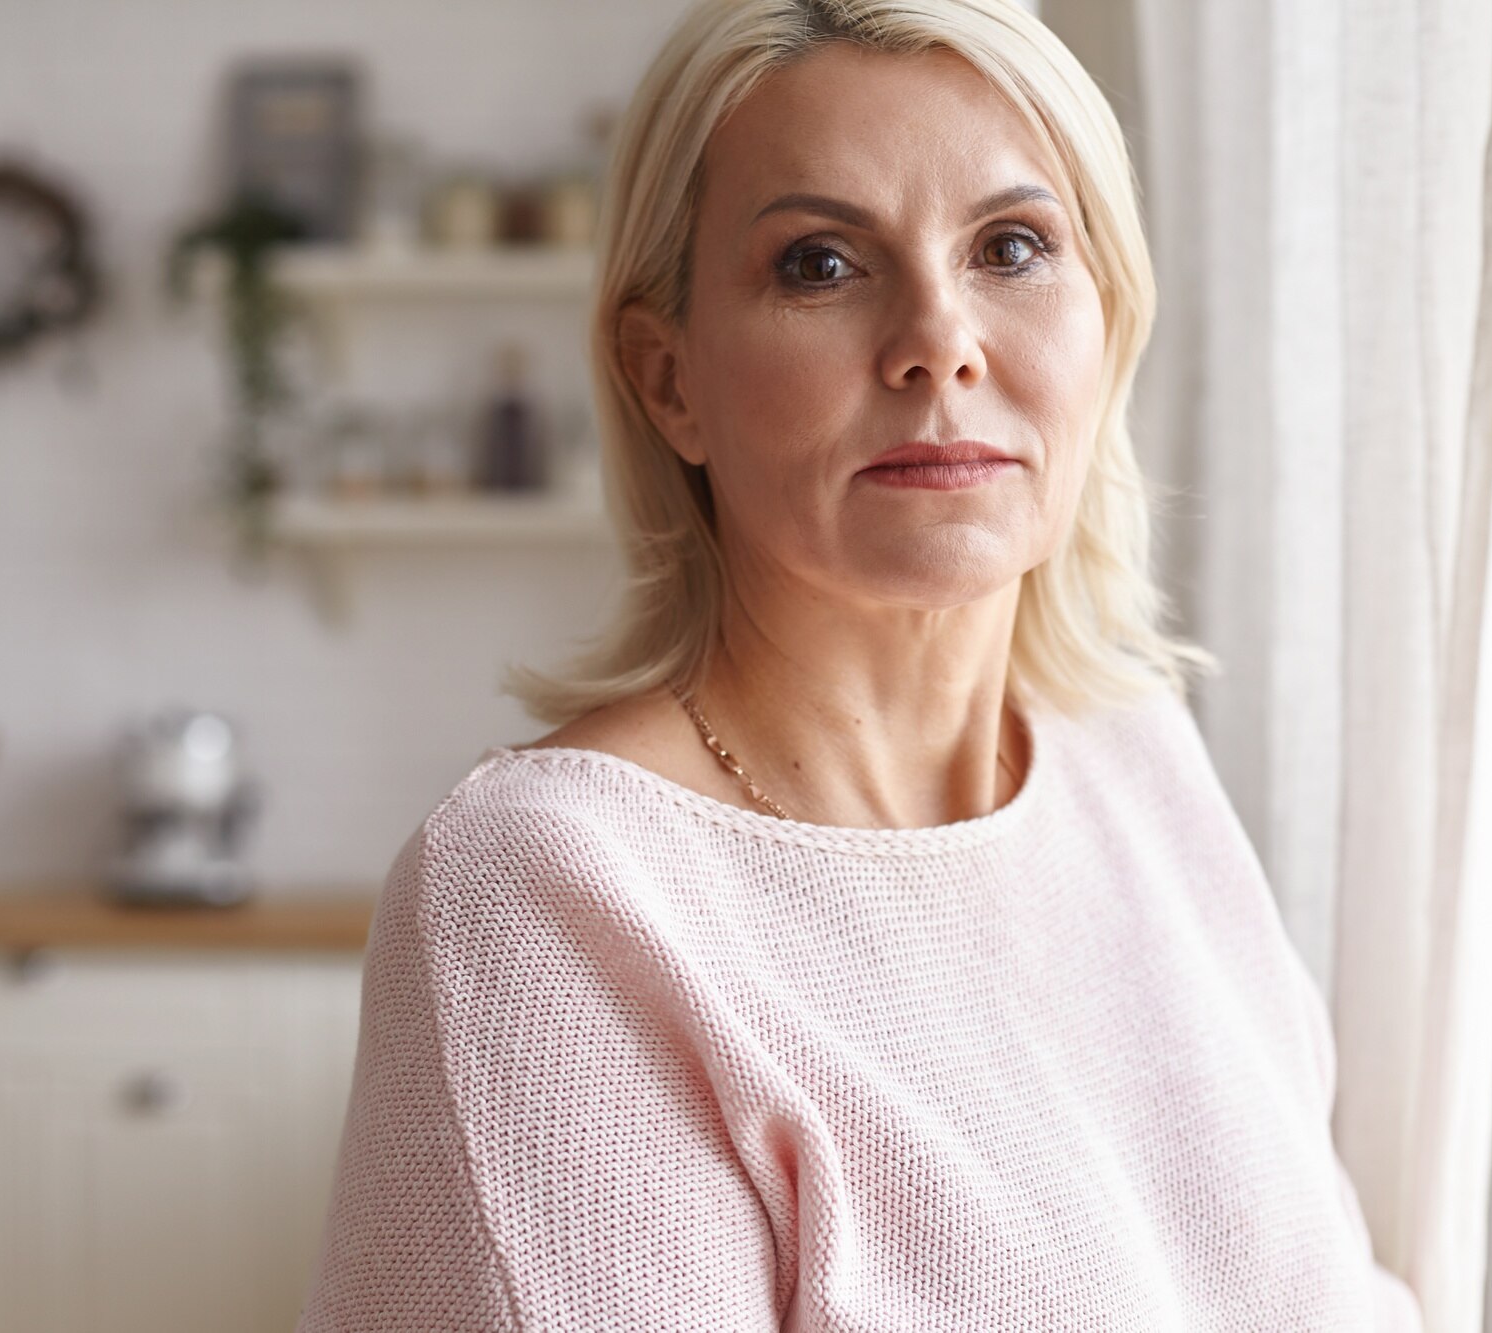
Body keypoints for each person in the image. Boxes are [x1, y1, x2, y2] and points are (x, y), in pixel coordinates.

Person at [295, 1, 1424, 1329]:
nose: (939, 340)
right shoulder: (551, 892)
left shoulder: (1138, 755)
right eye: (822, 265)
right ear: (669, 381)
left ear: (1106, 325)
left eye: (1013, 246)